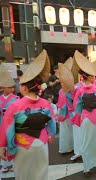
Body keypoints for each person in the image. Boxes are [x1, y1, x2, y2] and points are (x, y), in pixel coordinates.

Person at [0, 50, 56, 180]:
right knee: (41, 174)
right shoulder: (45, 104)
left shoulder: (15, 105)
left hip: (22, 145)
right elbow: (52, 123)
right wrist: (50, 134)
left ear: (24, 88)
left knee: (24, 175)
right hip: (41, 144)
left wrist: (4, 146)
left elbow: (7, 129)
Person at [72, 51, 96, 175]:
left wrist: (79, 116)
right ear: (90, 77)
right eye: (93, 76)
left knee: (86, 141)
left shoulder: (79, 90)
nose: (94, 77)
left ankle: (87, 167)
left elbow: (77, 106)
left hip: (86, 117)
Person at [0, 66, 20, 173]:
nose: (12, 89)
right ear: (3, 88)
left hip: (12, 124)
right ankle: (4, 164)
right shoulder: (0, 98)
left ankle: (13, 163)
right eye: (9, 87)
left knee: (11, 141)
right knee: (2, 142)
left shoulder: (16, 99)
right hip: (1, 122)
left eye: (12, 87)